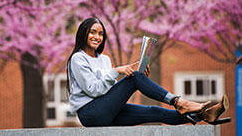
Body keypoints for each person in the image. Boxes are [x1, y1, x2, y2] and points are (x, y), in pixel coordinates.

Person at [66, 17, 230, 127]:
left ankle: (205, 115)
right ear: (84, 34)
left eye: (101, 33)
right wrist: (118, 71)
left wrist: (141, 80)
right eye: (92, 32)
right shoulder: (78, 59)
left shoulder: (104, 59)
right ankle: (178, 101)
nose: (97, 37)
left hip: (105, 110)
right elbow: (94, 90)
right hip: (90, 114)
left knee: (155, 111)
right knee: (135, 78)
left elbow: (109, 92)